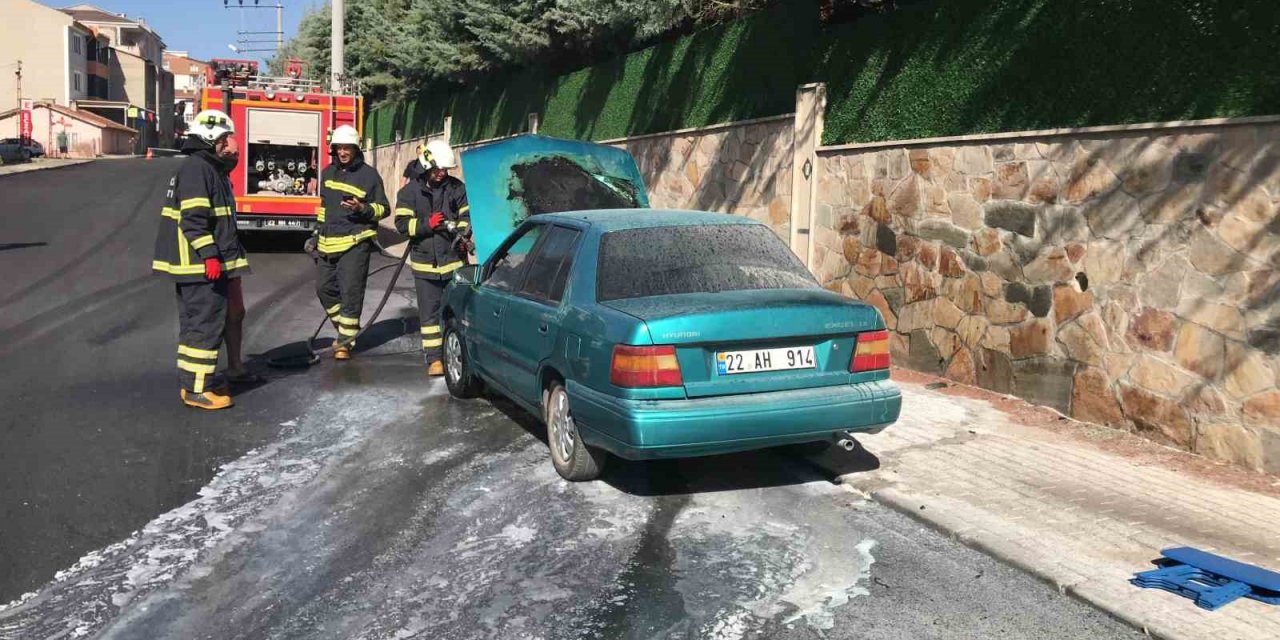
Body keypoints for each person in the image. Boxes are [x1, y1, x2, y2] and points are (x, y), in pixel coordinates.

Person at [152, 109, 251, 410]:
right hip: (199, 266)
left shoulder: (207, 167)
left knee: (196, 325)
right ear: (211, 138)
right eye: (225, 138)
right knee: (205, 325)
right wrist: (209, 256)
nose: (230, 144)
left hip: (198, 265)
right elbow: (194, 219)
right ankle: (198, 390)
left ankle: (194, 382)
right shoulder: (198, 169)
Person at [308, 124, 389, 360]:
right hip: (328, 241)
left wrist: (362, 208)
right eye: (339, 148)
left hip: (356, 242)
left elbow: (383, 209)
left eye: (348, 148)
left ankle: (344, 342)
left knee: (351, 292)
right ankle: (346, 329)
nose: (343, 152)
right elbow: (324, 208)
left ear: (356, 149)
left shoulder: (369, 176)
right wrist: (315, 234)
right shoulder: (327, 173)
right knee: (323, 288)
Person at [394, 139, 472, 376]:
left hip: (454, 262)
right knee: (429, 315)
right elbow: (402, 225)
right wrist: (426, 224)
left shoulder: (457, 189)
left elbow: (467, 217)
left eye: (446, 169)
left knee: (459, 312)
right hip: (425, 265)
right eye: (439, 169)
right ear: (427, 165)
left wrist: (462, 234)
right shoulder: (409, 193)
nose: (442, 173)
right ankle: (435, 359)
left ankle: (460, 356)